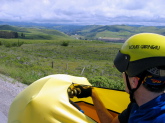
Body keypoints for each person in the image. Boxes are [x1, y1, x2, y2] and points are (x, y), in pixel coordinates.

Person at [75, 33, 165, 123]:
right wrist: (93, 94)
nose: (123, 75)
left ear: (134, 82)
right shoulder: (138, 105)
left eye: (124, 72)